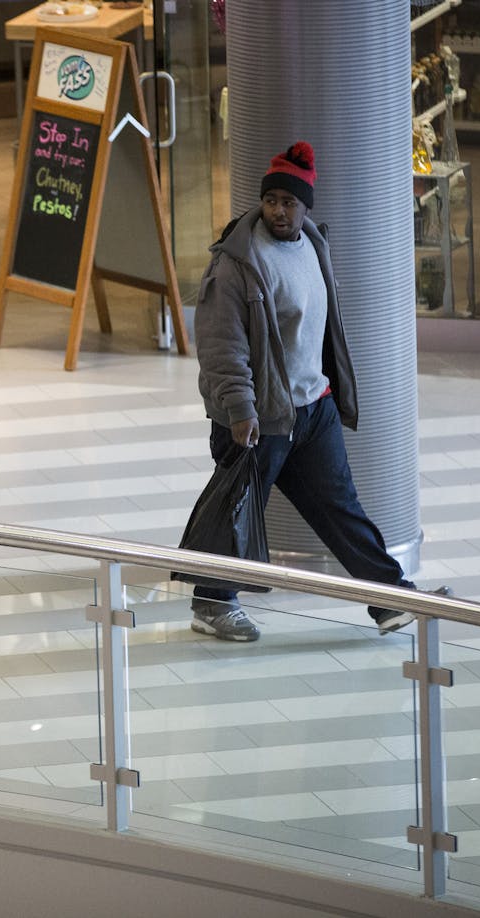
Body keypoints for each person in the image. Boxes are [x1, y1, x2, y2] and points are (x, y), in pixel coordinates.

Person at [190, 142, 447, 642]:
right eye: (272, 202)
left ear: (306, 205)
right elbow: (222, 346)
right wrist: (241, 410)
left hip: (312, 409)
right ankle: (212, 602)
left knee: (341, 507)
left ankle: (391, 597)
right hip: (260, 417)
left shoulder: (311, 242)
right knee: (237, 507)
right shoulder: (237, 264)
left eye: (289, 202)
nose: (279, 211)